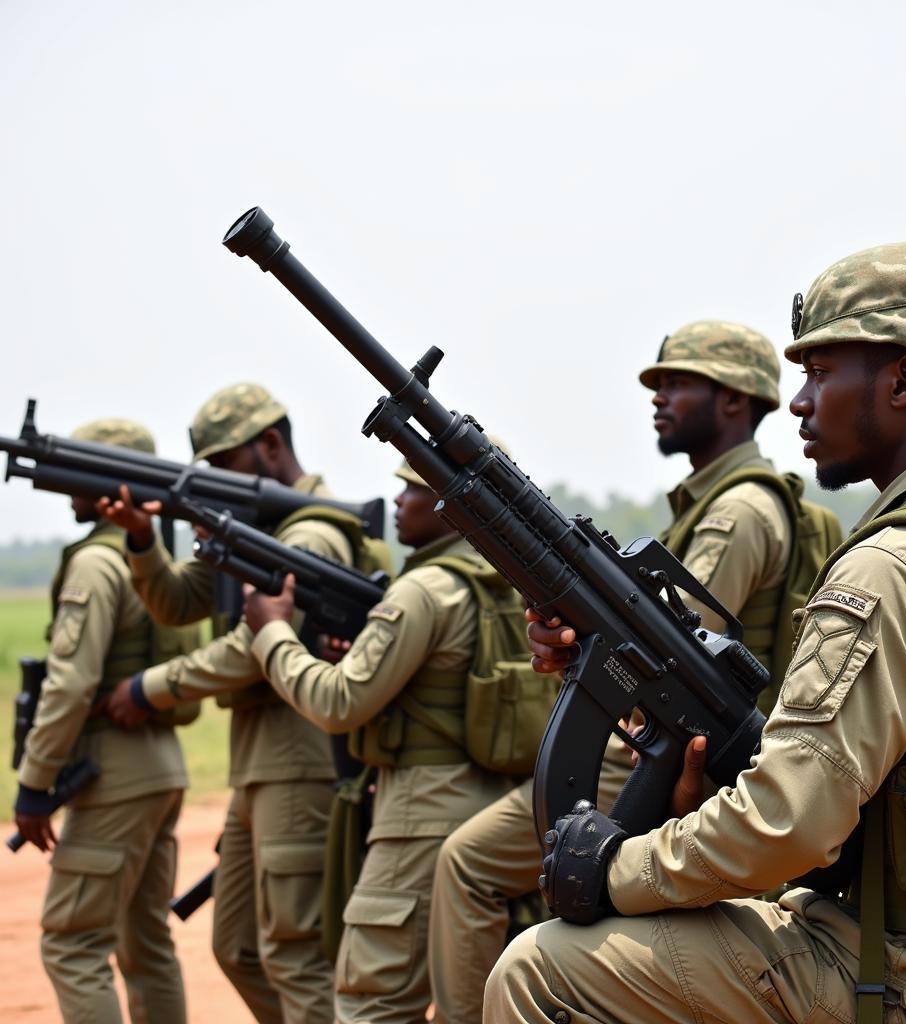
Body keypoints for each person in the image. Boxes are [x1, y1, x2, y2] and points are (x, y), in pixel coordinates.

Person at [486, 241, 906, 1023]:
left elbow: (789, 824)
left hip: (905, 974)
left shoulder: (892, 569)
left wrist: (614, 866)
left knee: (542, 968)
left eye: (822, 372)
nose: (800, 401)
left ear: (905, 380)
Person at [428, 321, 805, 1024]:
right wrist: (575, 642)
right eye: (656, 383)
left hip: (685, 752)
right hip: (665, 743)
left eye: (678, 382)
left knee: (471, 866)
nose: (657, 396)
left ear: (736, 400)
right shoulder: (714, 501)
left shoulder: (739, 510)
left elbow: (681, 661)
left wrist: (597, 646)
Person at [101, 383, 359, 1024]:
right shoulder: (250, 530)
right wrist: (141, 539)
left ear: (270, 446)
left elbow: (254, 644)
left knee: (296, 950)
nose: (213, 480)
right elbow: (180, 602)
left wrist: (149, 687)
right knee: (238, 945)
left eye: (224, 464)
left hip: (301, 763)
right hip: (257, 765)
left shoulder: (314, 532)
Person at [240, 456, 521, 1024]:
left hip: (416, 822)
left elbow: (338, 702)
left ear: (454, 504)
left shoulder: (423, 590)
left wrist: (270, 632)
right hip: (493, 810)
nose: (399, 501)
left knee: (374, 1002)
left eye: (414, 490)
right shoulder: (511, 583)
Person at [13, 419, 191, 1023]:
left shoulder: (96, 564)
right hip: (161, 769)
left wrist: (34, 784)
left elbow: (69, 683)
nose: (66, 487)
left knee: (72, 942)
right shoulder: (150, 557)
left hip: (111, 772)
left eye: (77, 471)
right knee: (146, 945)